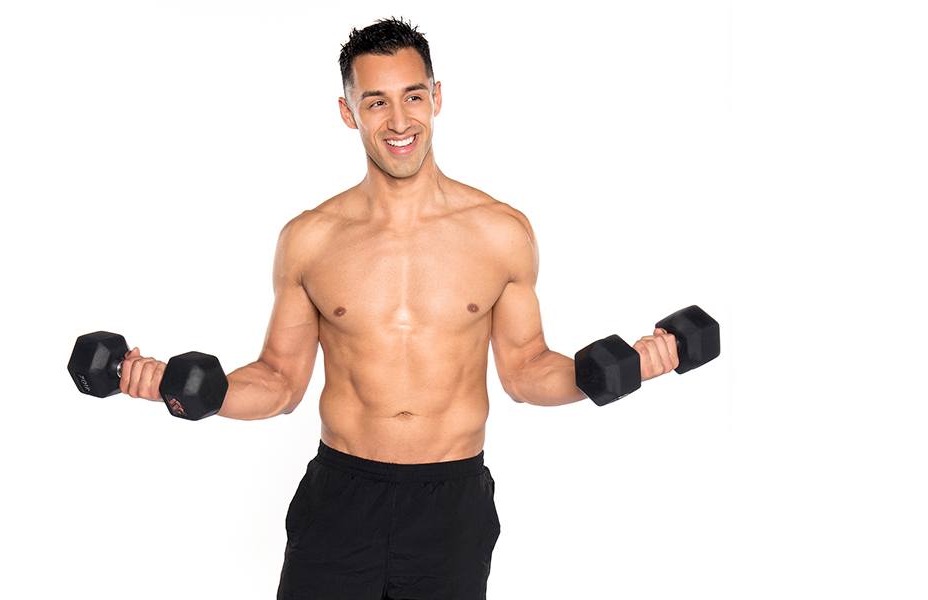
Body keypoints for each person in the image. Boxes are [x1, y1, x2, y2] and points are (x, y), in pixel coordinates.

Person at [116, 16, 680, 600]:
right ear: (347, 112)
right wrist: (180, 389)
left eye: (413, 96)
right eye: (376, 102)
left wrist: (625, 370)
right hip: (341, 495)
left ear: (436, 98)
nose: (400, 121)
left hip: (451, 501)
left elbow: (526, 370)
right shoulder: (310, 240)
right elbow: (280, 382)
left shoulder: (500, 233)